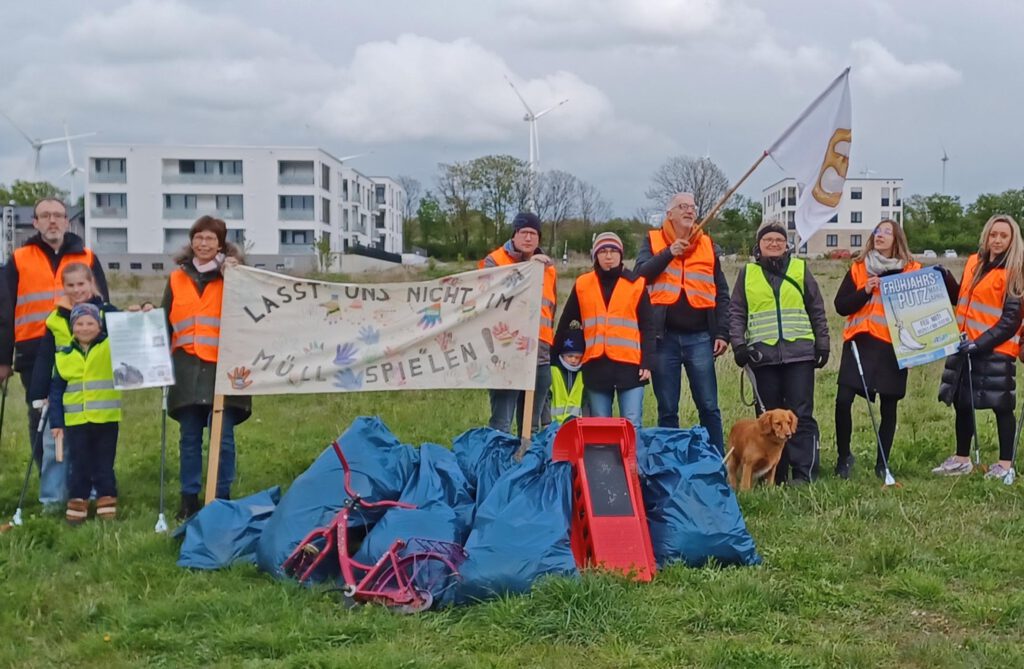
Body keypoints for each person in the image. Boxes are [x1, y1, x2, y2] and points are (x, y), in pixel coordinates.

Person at [0, 198, 109, 511]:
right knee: (42, 420)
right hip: (35, 352)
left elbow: (103, 301)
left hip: (83, 352)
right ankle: (51, 488)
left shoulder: (86, 256)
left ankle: (80, 487)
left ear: (67, 222)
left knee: (81, 419)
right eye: (45, 216)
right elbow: (5, 310)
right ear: (34, 222)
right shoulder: (19, 258)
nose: (52, 221)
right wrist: (4, 358)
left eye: (58, 215)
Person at [833, 220, 937, 479]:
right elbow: (841, 306)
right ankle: (844, 457)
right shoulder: (859, 267)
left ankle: (882, 463)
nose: (880, 235)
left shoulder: (912, 270)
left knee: (889, 407)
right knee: (843, 401)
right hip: (860, 343)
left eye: (886, 232)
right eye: (877, 231)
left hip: (893, 348)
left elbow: (923, 312)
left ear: (897, 239)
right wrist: (864, 291)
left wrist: (919, 350)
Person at [162, 215, 250, 519]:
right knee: (189, 439)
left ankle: (220, 497)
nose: (203, 243)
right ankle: (189, 498)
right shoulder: (176, 278)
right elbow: (163, 322)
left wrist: (236, 274)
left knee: (221, 438)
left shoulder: (236, 277)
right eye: (198, 237)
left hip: (223, 369)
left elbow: (251, 314)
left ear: (221, 243)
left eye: (210, 238)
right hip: (186, 369)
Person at [729, 222, 830, 485]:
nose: (774, 243)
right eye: (768, 240)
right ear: (758, 245)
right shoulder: (747, 274)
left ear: (787, 245)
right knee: (767, 420)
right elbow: (737, 312)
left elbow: (816, 308)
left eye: (779, 240)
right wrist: (738, 345)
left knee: (800, 415)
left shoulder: (799, 269)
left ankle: (802, 473)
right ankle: (773, 473)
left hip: (799, 355)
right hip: (762, 357)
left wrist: (823, 343)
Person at [634, 192, 730, 454]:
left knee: (709, 405)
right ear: (670, 214)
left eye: (692, 207)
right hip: (663, 339)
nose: (689, 211)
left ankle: (716, 461)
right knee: (667, 408)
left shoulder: (708, 245)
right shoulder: (653, 241)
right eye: (682, 207)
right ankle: (670, 464)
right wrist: (668, 253)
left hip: (700, 337)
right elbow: (639, 276)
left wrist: (723, 332)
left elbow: (721, 292)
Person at [933, 215, 1024, 482]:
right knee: (963, 402)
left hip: (996, 350)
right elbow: (962, 296)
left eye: (1003, 236)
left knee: (1002, 406)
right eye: (993, 234)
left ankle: (1005, 465)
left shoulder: (1015, 271)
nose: (996, 240)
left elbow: (1010, 320)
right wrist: (946, 278)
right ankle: (962, 459)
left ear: (1012, 240)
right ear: (986, 236)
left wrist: (979, 343)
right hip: (965, 347)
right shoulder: (975, 262)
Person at [554, 232, 656, 430]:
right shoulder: (583, 284)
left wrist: (648, 361)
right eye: (603, 251)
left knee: (632, 424)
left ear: (620, 255)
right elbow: (566, 322)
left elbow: (648, 327)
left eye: (613, 251)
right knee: (601, 426)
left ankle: (632, 461)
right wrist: (555, 355)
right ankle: (604, 462)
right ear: (595, 256)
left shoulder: (636, 284)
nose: (608, 256)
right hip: (596, 365)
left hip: (630, 365)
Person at [478, 212, 557, 436]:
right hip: (505, 350)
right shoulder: (495, 261)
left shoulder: (549, 268)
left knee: (531, 425)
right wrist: (527, 270)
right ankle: (497, 463)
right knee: (501, 421)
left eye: (534, 234)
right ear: (514, 235)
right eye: (524, 233)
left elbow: (551, 308)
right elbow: (490, 296)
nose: (529, 238)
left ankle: (527, 463)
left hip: (539, 352)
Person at [48, 303, 122, 524]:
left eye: (90, 323)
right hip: (76, 421)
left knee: (104, 463)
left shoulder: (110, 347)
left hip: (107, 419)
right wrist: (56, 422)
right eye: (79, 323)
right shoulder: (63, 355)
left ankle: (106, 501)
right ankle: (78, 503)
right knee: (79, 463)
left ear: (99, 326)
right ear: (72, 328)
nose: (85, 328)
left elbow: (124, 329)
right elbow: (56, 392)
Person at [28, 263, 118, 408]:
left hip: (98, 396)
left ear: (91, 283)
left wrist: (143, 308)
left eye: (81, 284)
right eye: (70, 285)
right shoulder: (55, 318)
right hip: (61, 393)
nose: (76, 290)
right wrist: (39, 394)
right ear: (63, 286)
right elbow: (45, 357)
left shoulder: (107, 313)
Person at [549, 322, 587, 424]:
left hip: (576, 426)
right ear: (562, 355)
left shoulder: (582, 375)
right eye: (570, 356)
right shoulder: (553, 371)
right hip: (554, 426)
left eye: (577, 357)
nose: (573, 360)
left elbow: (585, 402)